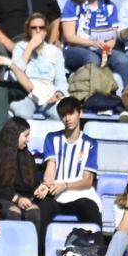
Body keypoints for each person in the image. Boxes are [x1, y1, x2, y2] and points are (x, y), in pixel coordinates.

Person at [37, 97, 104, 226]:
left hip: (80, 196)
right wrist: (47, 184)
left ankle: (96, 239)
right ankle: (39, 241)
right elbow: (50, 169)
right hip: (56, 195)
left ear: (80, 113)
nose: (67, 118)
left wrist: (65, 185)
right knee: (41, 207)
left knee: (91, 208)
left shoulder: (90, 144)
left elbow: (87, 182)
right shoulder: (52, 138)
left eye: (71, 113)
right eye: (63, 115)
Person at [61, 0, 128, 88]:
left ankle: (123, 95)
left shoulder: (109, 7)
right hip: (74, 49)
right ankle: (93, 96)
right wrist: (93, 43)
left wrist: (105, 50)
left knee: (122, 60)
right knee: (92, 59)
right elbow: (69, 37)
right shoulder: (73, 4)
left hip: (101, 49)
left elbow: (112, 38)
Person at [0, 118, 46, 228]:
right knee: (13, 212)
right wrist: (16, 199)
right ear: (15, 135)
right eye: (26, 135)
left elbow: (33, 183)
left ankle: (33, 240)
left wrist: (38, 190)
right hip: (0, 199)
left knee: (34, 212)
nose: (28, 139)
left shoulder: (27, 156)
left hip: (23, 199)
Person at [9, 12, 66, 120]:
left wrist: (59, 92)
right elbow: (14, 76)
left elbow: (61, 79)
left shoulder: (55, 51)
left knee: (61, 114)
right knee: (23, 114)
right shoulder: (20, 47)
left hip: (48, 94)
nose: (38, 31)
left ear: (46, 30)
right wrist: (29, 48)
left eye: (41, 28)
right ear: (28, 30)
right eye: (33, 28)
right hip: (25, 93)